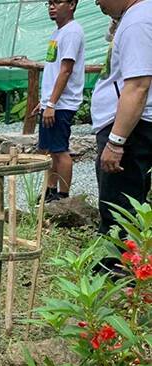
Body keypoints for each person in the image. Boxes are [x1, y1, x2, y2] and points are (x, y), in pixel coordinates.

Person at [91, 0, 152, 239]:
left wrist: (116, 142)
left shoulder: (138, 22)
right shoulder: (134, 18)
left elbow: (138, 86)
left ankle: (114, 268)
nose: (96, 1)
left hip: (129, 130)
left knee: (119, 209)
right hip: (129, 128)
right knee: (127, 203)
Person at [30, 0, 85, 203]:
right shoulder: (59, 32)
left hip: (62, 104)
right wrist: (44, 102)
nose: (52, 7)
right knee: (52, 150)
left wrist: (52, 104)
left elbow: (66, 70)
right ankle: (50, 190)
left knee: (60, 150)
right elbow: (54, 70)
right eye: (49, 3)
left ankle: (63, 196)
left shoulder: (72, 32)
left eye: (58, 2)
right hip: (53, 103)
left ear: (71, 4)